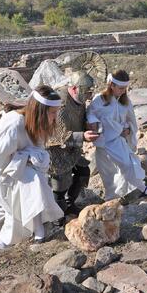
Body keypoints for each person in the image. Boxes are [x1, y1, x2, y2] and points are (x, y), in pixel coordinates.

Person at [0, 86, 65, 249]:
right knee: (18, 207)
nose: (56, 117)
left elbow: (38, 149)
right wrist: (23, 158)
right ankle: (8, 242)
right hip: (2, 173)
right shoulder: (14, 123)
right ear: (40, 111)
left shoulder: (38, 124)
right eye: (53, 112)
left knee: (35, 184)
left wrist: (30, 157)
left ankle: (33, 232)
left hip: (22, 169)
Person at [87, 69, 147, 201]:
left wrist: (128, 130)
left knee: (128, 166)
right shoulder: (99, 100)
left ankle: (144, 189)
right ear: (111, 85)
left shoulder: (125, 102)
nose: (123, 91)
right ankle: (112, 200)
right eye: (121, 88)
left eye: (125, 88)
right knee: (108, 173)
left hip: (118, 142)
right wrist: (94, 123)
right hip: (103, 143)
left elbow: (131, 120)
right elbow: (90, 114)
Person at [47, 71, 100, 217]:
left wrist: (87, 126)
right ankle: (58, 216)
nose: (88, 96)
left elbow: (79, 119)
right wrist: (83, 135)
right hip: (56, 151)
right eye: (85, 91)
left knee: (83, 172)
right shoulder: (61, 105)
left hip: (72, 149)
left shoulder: (78, 100)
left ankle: (70, 204)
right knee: (60, 185)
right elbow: (59, 135)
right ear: (75, 88)